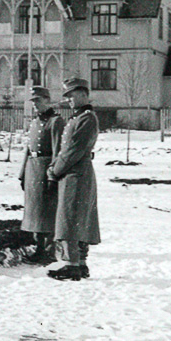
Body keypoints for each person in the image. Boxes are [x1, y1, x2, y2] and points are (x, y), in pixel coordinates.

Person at [46, 77, 101, 280]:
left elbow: (72, 151)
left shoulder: (87, 118)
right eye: (67, 96)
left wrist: (54, 170)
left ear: (84, 94)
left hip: (75, 173)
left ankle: (72, 264)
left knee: (71, 217)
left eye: (72, 95)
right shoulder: (77, 118)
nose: (69, 99)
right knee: (76, 217)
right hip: (74, 173)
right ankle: (79, 263)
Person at [18, 86, 64, 264]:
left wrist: (53, 175)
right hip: (32, 170)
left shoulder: (56, 122)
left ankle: (49, 251)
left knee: (48, 211)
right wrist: (22, 174)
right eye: (33, 102)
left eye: (38, 101)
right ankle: (38, 248)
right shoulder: (34, 122)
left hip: (46, 170)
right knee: (35, 211)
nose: (35, 105)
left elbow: (57, 151)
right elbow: (28, 150)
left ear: (47, 100)